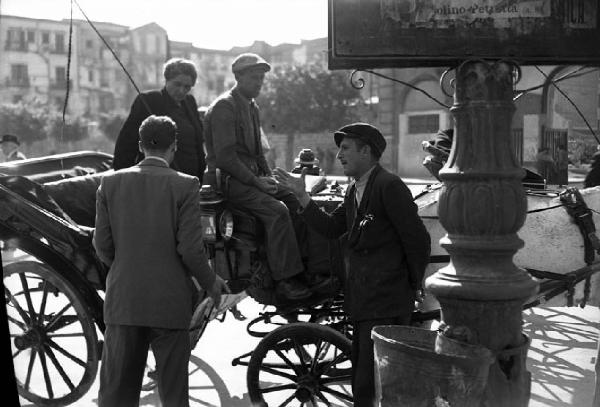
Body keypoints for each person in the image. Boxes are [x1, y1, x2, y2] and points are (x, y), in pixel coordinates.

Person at [274, 122, 431, 407]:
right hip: (364, 301)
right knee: (365, 384)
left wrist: (414, 283)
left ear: (366, 151)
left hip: (387, 302)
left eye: (346, 149)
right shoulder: (355, 189)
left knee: (380, 385)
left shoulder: (388, 186)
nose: (339, 156)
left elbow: (417, 239)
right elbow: (333, 228)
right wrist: (302, 196)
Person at [93, 115, 229, 407]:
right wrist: (211, 283)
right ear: (174, 146)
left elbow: (101, 245)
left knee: (117, 394)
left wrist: (127, 267)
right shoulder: (185, 185)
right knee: (173, 394)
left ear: (140, 146)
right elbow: (191, 250)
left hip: (124, 301)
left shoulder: (110, 183)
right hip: (169, 302)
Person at [204, 53, 316, 301]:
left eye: (262, 78)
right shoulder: (225, 107)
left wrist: (268, 177)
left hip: (251, 180)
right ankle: (284, 280)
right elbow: (226, 158)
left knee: (297, 200)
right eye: (254, 78)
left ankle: (302, 269)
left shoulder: (251, 107)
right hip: (229, 183)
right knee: (277, 211)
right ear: (239, 77)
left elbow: (257, 153)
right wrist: (257, 181)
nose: (259, 83)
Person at [113, 58, 206, 182]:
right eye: (177, 84)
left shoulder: (190, 102)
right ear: (166, 80)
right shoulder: (149, 101)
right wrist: (123, 179)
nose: (181, 91)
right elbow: (126, 143)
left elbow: (198, 142)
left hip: (191, 179)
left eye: (187, 87)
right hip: (160, 180)